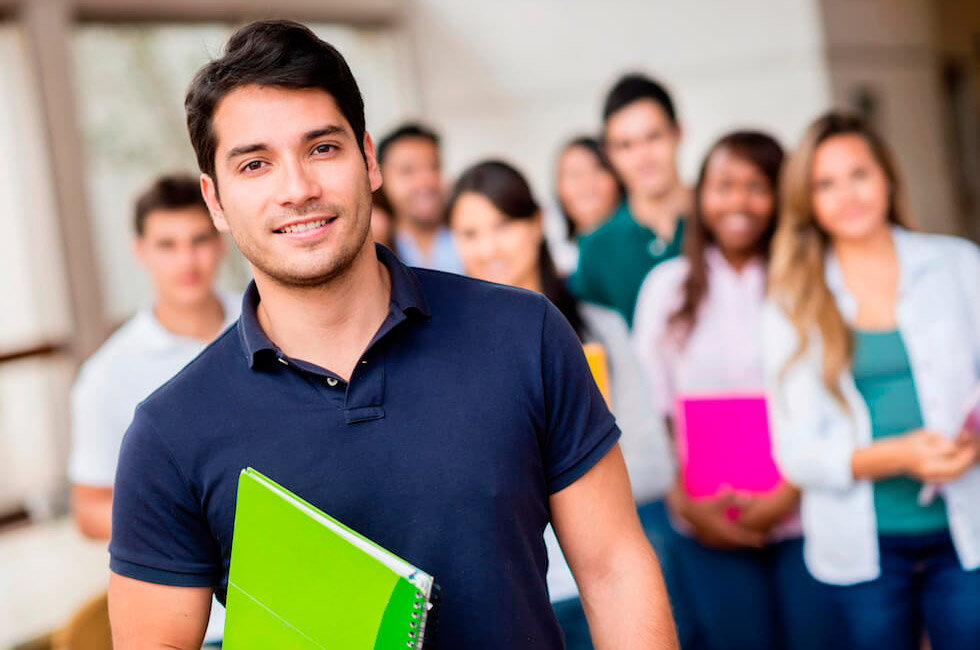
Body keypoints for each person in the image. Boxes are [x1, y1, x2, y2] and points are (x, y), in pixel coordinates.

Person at [107, 21, 677, 650]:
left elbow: (614, 570)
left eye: (322, 148)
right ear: (215, 200)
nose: (297, 189)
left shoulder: (525, 333)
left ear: (370, 160)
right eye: (255, 164)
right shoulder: (169, 433)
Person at [763, 111, 980, 650]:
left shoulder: (958, 264)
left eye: (859, 174)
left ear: (886, 176)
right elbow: (796, 453)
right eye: (825, 184)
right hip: (863, 550)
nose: (847, 195)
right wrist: (899, 455)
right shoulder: (791, 301)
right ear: (808, 201)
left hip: (966, 532)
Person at [446, 159, 673, 649]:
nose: (489, 248)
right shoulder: (443, 350)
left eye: (503, 226)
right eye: (470, 233)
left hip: (604, 586)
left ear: (536, 223)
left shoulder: (598, 328)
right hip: (510, 600)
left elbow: (654, 462)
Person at [633, 132, 837, 650]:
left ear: (780, 196)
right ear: (701, 194)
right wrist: (685, 503)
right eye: (724, 186)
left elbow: (833, 393)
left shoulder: (808, 283)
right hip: (703, 519)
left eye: (757, 186)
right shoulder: (667, 287)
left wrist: (787, 493)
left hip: (805, 511)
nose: (739, 201)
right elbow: (648, 411)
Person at [68, 173, 239, 645]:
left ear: (221, 239)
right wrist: (196, 522)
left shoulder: (271, 321)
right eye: (167, 245)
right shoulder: (107, 375)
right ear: (140, 251)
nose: (187, 261)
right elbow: (88, 509)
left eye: (198, 240)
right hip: (202, 629)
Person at [568, 74, 691, 326]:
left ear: (677, 133)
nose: (643, 157)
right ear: (608, 153)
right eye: (626, 145)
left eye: (653, 137)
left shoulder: (724, 221)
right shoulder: (596, 250)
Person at [375, 123, 463, 273]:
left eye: (434, 167)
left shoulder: (469, 235)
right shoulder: (376, 245)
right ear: (380, 178)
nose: (425, 182)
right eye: (407, 171)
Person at [545, 136, 623, 276]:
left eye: (598, 169)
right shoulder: (554, 262)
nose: (586, 183)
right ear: (558, 189)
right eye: (574, 174)